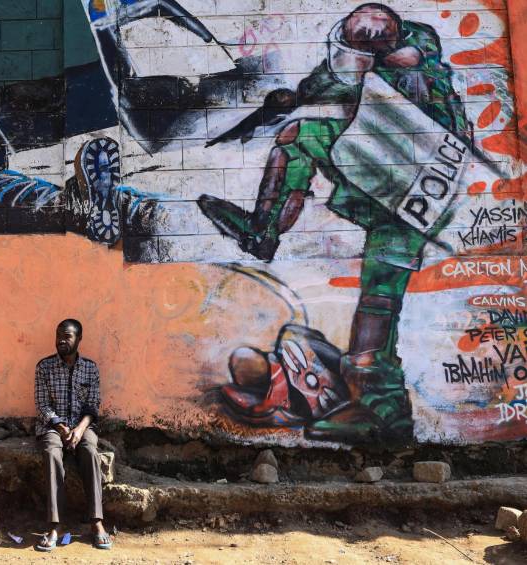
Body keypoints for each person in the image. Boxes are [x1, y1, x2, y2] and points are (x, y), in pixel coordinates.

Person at [197, 3, 473, 443]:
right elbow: (331, 78)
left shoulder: (415, 64)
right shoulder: (374, 59)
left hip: (414, 193)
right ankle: (262, 231)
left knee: (377, 306)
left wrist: (378, 69)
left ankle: (384, 413)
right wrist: (298, 96)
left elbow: (414, 61)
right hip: (378, 172)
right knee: (296, 137)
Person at [34, 319, 112, 551]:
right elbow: (42, 404)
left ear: (79, 339)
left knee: (89, 450)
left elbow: (93, 405)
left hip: (83, 426)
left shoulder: (90, 368)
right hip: (52, 427)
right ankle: (55, 526)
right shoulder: (44, 367)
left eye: (67, 336)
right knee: (51, 453)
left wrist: (79, 430)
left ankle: (96, 522)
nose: (61, 340)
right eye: (58, 335)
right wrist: (60, 427)